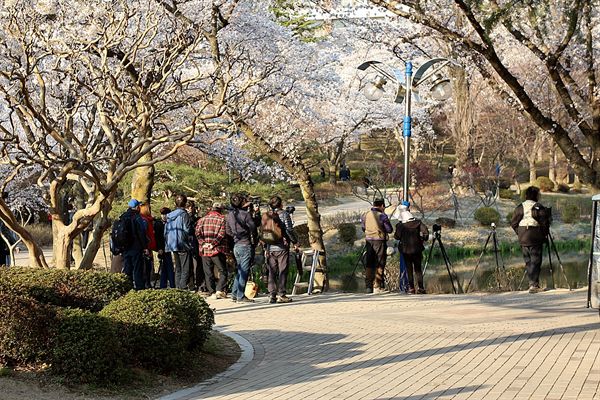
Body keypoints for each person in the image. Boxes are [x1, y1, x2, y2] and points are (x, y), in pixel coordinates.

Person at [511, 186, 548, 293]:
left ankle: (532, 284)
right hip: (535, 235)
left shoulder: (520, 207)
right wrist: (544, 234)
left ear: (526, 195)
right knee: (536, 261)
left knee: (528, 261)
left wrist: (520, 233)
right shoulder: (538, 207)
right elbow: (544, 223)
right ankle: (534, 285)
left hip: (523, 236)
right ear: (536, 195)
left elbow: (513, 223)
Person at [262, 196, 298, 304]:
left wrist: (265, 247)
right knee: (283, 270)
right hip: (282, 247)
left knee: (272, 272)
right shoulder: (284, 214)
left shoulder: (266, 215)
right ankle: (282, 294)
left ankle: (272, 294)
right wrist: (295, 242)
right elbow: (289, 230)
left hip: (269, 247)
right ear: (281, 204)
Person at [226, 193, 257, 304]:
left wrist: (235, 236)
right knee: (244, 271)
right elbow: (253, 227)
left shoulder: (229, 215)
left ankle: (235, 293)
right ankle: (240, 295)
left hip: (236, 244)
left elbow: (228, 231)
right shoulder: (245, 215)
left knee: (239, 270)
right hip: (245, 244)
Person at [196, 202, 229, 299]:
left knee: (208, 272)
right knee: (223, 271)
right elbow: (221, 234)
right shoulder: (222, 219)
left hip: (205, 250)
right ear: (220, 210)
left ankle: (212, 291)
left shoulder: (202, 220)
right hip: (218, 249)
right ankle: (219, 290)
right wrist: (213, 244)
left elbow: (197, 233)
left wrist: (203, 243)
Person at [361, 198, 393, 294]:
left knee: (369, 263)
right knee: (380, 263)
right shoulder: (382, 216)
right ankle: (378, 285)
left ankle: (368, 286)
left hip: (369, 241)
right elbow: (389, 229)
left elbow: (363, 227)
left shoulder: (365, 215)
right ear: (382, 206)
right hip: (379, 241)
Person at [394, 209, 429, 294]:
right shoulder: (418, 223)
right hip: (417, 249)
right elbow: (426, 233)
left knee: (409, 269)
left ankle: (411, 288)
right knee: (418, 270)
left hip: (406, 250)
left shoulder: (401, 226)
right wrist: (422, 239)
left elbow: (397, 237)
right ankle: (421, 288)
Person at [119, 199, 149, 290]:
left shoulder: (123, 216)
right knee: (137, 269)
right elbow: (141, 233)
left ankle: (128, 288)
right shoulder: (137, 217)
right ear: (136, 207)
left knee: (127, 268)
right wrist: (145, 247)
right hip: (136, 247)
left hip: (125, 247)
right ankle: (139, 289)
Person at [165, 194, 193, 289]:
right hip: (182, 243)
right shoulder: (184, 215)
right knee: (185, 268)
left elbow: (166, 231)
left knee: (178, 268)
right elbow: (187, 229)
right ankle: (182, 288)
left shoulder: (169, 216)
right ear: (185, 203)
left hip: (172, 243)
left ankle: (177, 288)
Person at [186, 200, 207, 292]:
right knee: (196, 266)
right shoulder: (191, 219)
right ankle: (199, 285)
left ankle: (191, 284)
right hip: (193, 244)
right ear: (190, 208)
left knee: (190, 266)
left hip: (187, 244)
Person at [155, 207, 175, 288]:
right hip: (162, 248)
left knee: (167, 267)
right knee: (167, 266)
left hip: (169, 247)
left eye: (165, 214)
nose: (163, 216)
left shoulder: (170, 223)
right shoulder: (158, 224)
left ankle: (166, 284)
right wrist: (159, 248)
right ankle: (169, 284)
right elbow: (157, 237)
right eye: (162, 214)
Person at [139, 202, 157, 289]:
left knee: (147, 265)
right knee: (146, 266)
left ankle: (147, 282)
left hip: (147, 245)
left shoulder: (147, 220)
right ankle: (146, 283)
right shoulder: (145, 220)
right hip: (146, 246)